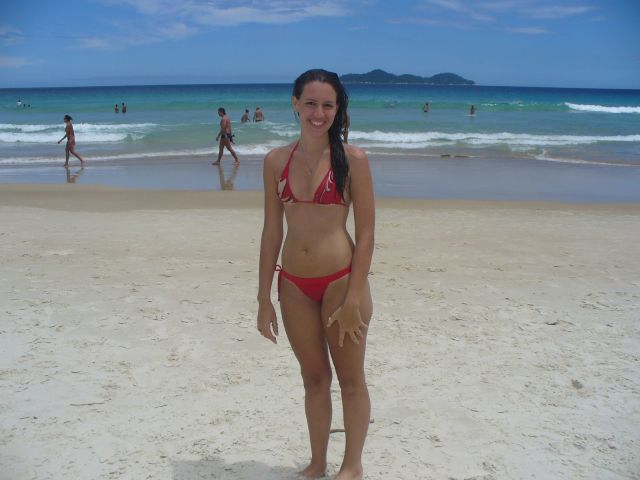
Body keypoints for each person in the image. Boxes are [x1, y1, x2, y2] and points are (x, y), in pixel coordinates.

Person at [257, 69, 374, 480]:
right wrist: (263, 298)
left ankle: (352, 465)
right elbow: (272, 231)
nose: (318, 113)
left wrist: (354, 297)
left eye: (327, 105)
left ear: (337, 109)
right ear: (295, 103)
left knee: (350, 379)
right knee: (313, 379)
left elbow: (367, 233)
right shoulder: (275, 162)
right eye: (310, 103)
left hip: (341, 283)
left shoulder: (353, 160)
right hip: (293, 286)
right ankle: (318, 462)